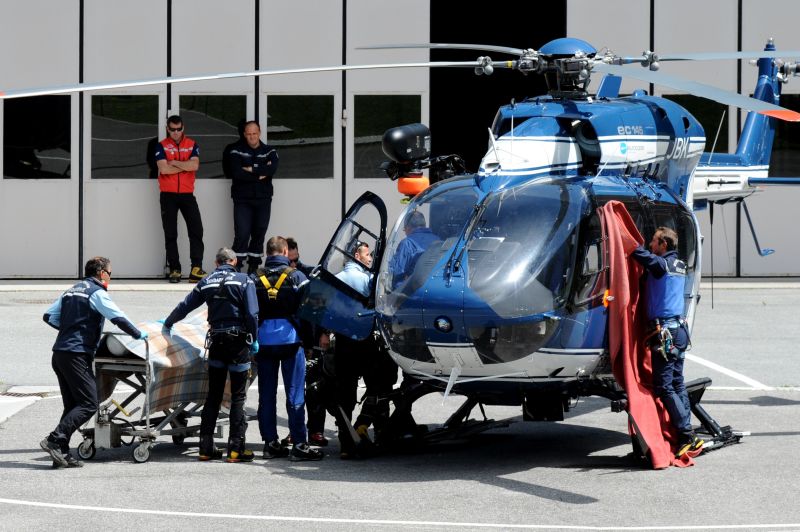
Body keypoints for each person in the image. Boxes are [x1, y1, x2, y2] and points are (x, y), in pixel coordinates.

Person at [41, 257, 147, 468]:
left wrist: (70, 331)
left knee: (72, 405)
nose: (110, 277)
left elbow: (49, 316)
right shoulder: (96, 292)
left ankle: (60, 452)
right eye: (110, 273)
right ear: (101, 273)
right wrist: (138, 335)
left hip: (60, 353)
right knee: (89, 403)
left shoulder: (72, 290)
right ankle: (55, 439)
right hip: (76, 354)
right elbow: (118, 317)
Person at [163, 247, 258, 462]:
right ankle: (236, 448)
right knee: (238, 397)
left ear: (216, 263)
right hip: (238, 343)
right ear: (234, 261)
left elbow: (185, 306)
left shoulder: (206, 281)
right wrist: (254, 339)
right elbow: (252, 314)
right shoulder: (244, 281)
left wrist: (168, 323)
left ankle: (205, 447)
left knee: (213, 396)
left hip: (216, 342)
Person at [630, 226, 703, 458]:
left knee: (664, 387)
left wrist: (623, 234)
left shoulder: (661, 265)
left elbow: (636, 252)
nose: (651, 245)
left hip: (666, 333)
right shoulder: (679, 265)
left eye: (654, 242)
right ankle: (687, 433)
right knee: (678, 383)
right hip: (679, 331)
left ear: (664, 245)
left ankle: (686, 434)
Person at [253, 236, 323, 461]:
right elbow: (310, 314)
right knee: (294, 394)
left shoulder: (254, 278)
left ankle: (270, 444)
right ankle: (300, 445)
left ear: (267, 253)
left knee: (266, 394)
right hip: (291, 343)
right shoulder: (297, 277)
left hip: (263, 344)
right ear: (284, 251)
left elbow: (249, 312)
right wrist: (310, 344)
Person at [333, 241, 397, 457]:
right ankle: (376, 430)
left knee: (344, 394)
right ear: (357, 256)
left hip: (343, 342)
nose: (370, 259)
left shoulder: (336, 279)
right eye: (367, 255)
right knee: (378, 386)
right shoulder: (369, 279)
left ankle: (345, 442)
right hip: (365, 341)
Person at [155, 115, 206, 283]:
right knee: (171, 233)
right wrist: (184, 166)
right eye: (172, 130)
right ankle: (175, 269)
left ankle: (196, 268)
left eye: (179, 129)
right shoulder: (161, 145)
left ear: (183, 128)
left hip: (187, 194)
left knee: (196, 230)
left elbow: (195, 166)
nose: (176, 133)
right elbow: (164, 170)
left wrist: (174, 162)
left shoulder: (192, 144)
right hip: (168, 195)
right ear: (167, 129)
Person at [228, 121, 279, 274]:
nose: (252, 137)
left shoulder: (270, 151)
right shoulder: (235, 151)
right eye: (248, 134)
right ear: (244, 134)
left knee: (259, 232)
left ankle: (253, 266)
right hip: (242, 199)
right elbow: (236, 173)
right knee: (242, 233)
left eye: (254, 133)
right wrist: (260, 174)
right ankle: (235, 266)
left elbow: (272, 169)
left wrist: (251, 168)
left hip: (263, 199)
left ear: (260, 133)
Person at [388, 211, 439, 288]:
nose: (405, 233)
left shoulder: (407, 243)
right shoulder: (438, 240)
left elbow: (397, 271)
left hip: (411, 292)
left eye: (404, 230)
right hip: (433, 288)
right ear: (424, 225)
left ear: (408, 228)